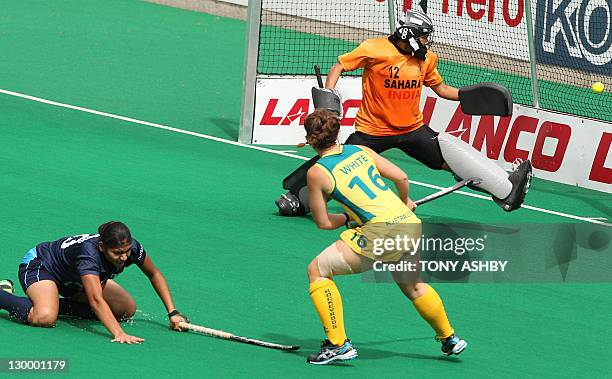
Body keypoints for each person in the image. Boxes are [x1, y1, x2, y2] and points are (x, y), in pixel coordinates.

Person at [276, 9, 531, 216]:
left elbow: (440, 88)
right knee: (337, 163)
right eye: (423, 37)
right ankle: (297, 198)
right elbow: (338, 67)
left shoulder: (426, 59)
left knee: (448, 160)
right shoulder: (375, 49)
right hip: (372, 132)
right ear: (408, 34)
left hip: (412, 130)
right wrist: (328, 100)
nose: (426, 43)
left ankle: (505, 188)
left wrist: (473, 98)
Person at [303, 109, 467, 365]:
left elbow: (323, 222)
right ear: (337, 132)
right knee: (413, 285)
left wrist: (347, 219)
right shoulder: (360, 151)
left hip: (380, 233)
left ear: (310, 138)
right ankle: (449, 338)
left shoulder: (316, 173)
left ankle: (337, 344)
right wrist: (405, 202)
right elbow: (402, 176)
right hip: (409, 224)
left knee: (317, 271)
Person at [0, 221, 188, 344]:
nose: (123, 257)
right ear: (101, 247)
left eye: (127, 251)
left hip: (73, 279)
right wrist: (118, 333)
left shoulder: (130, 248)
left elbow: (154, 274)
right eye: (117, 253)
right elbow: (96, 300)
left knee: (125, 310)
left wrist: (173, 312)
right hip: (41, 266)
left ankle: (53, 304)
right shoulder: (88, 255)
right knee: (44, 317)